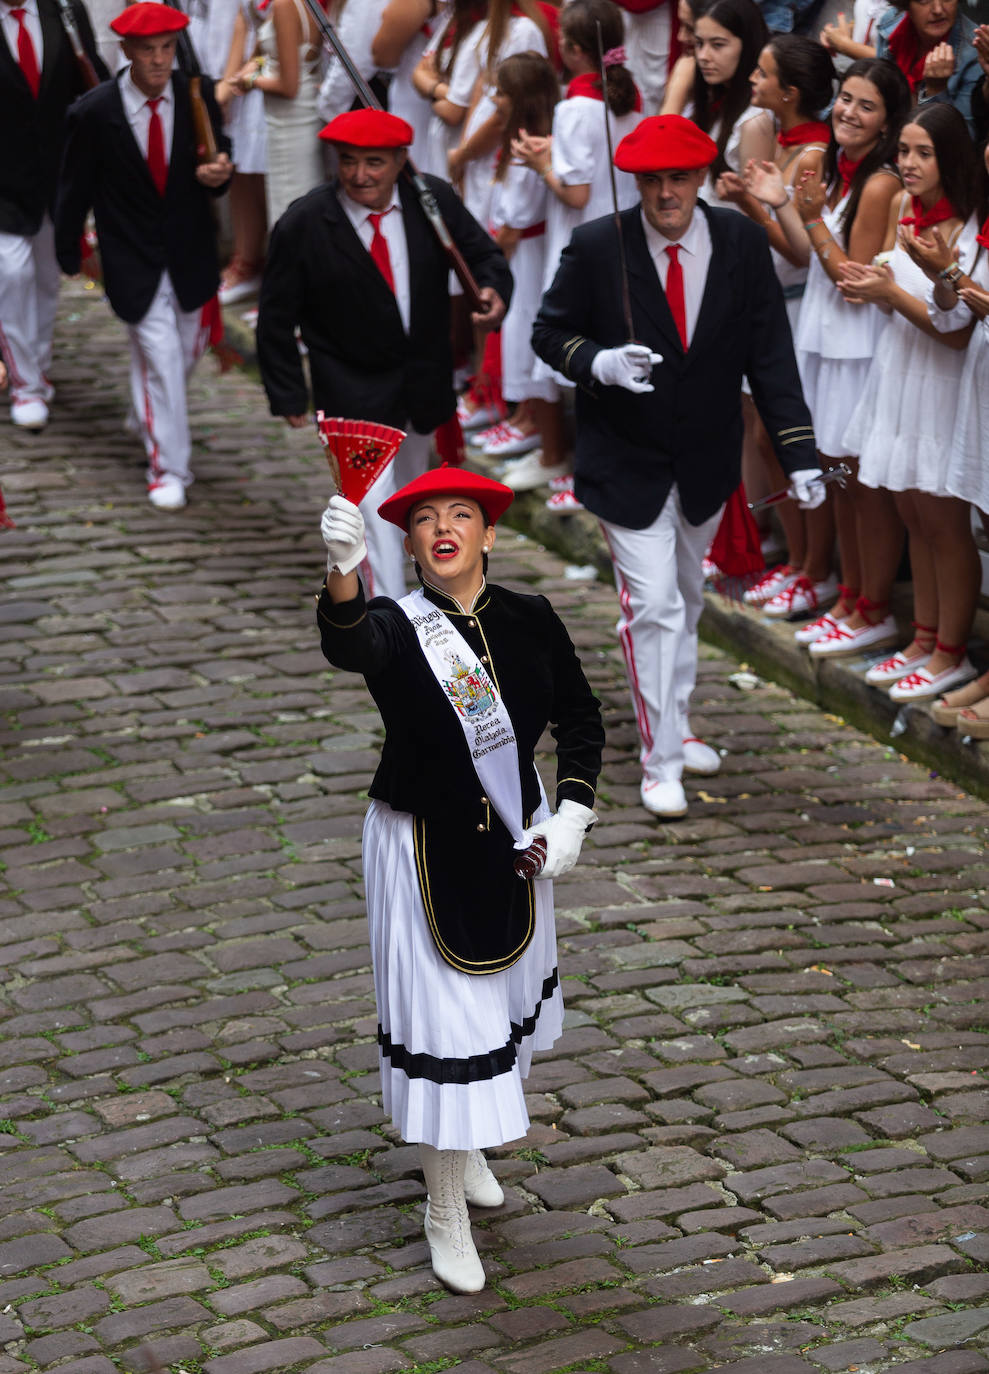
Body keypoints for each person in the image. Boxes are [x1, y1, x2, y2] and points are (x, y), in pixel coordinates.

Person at [315, 465, 604, 1293]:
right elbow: (349, 642)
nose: (443, 528)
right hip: (423, 845)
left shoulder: (530, 617)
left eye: (461, 515)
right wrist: (342, 572)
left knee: (497, 1007)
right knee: (448, 1028)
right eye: (425, 519)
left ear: (488, 533)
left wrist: (572, 814)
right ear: (409, 544)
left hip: (515, 838)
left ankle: (467, 1147)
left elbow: (581, 717)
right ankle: (443, 1210)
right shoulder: (394, 624)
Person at [532, 114, 822, 819]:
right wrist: (600, 362)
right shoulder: (598, 245)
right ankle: (658, 759)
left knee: (686, 598)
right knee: (653, 607)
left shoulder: (741, 242)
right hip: (622, 461)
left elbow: (770, 355)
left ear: (701, 180)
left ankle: (678, 723)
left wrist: (799, 454)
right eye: (652, 180)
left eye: (680, 178)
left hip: (705, 462)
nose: (666, 193)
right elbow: (549, 332)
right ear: (635, 183)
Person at [256, 107, 512, 599]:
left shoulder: (430, 199)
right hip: (349, 387)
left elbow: (483, 255)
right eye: (348, 161)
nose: (359, 175)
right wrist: (287, 390)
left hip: (421, 380)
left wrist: (493, 292)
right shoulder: (305, 222)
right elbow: (276, 313)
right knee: (370, 510)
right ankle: (390, 617)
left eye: (373, 162)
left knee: (416, 505)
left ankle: (429, 601)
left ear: (399, 161)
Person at [744, 58, 913, 654]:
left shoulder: (880, 183)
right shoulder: (839, 171)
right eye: (845, 99)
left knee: (862, 488)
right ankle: (846, 597)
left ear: (888, 122)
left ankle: (873, 609)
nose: (849, 113)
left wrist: (810, 217)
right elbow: (811, 253)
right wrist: (779, 203)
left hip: (857, 350)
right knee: (834, 476)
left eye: (867, 106)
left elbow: (849, 277)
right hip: (825, 341)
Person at [54, 2, 232, 510]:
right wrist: (70, 249)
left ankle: (148, 410)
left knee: (186, 352)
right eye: (148, 49)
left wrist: (220, 174)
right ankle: (168, 468)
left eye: (167, 49)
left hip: (191, 255)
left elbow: (219, 159)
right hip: (131, 258)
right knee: (161, 358)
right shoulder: (94, 112)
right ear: (127, 50)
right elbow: (74, 189)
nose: (158, 60)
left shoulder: (196, 94)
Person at [837, 102, 980, 701]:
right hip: (897, 374)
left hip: (941, 387)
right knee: (912, 512)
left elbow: (957, 330)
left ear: (952, 158)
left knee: (944, 522)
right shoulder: (902, 208)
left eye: (925, 153)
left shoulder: (967, 228)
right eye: (904, 151)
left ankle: (952, 650)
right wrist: (876, 289)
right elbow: (895, 294)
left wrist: (893, 292)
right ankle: (923, 638)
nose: (911, 163)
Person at [507, 0, 642, 495]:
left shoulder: (573, 108)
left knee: (575, 355)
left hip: (580, 245)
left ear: (573, 48)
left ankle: (580, 467)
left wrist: (542, 166)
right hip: (621, 238)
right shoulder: (627, 99)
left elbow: (576, 192)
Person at [721, 33, 835, 619]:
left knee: (785, 438)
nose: (753, 81)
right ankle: (795, 558)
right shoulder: (783, 142)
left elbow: (799, 253)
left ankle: (815, 567)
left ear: (789, 92)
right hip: (774, 304)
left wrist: (749, 206)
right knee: (765, 436)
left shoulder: (812, 155)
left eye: (763, 74)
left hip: (795, 306)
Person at [0, 0, 107, 431]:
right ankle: (25, 383)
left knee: (46, 279)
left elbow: (91, 82)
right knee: (12, 274)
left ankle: (36, 365)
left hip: (55, 178)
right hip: (3, 183)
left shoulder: (63, 10)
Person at [875, 0, 981, 134]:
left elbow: (964, 138)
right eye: (924, 0)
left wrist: (937, 91)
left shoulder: (974, 51)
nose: (938, 10)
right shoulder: (891, 22)